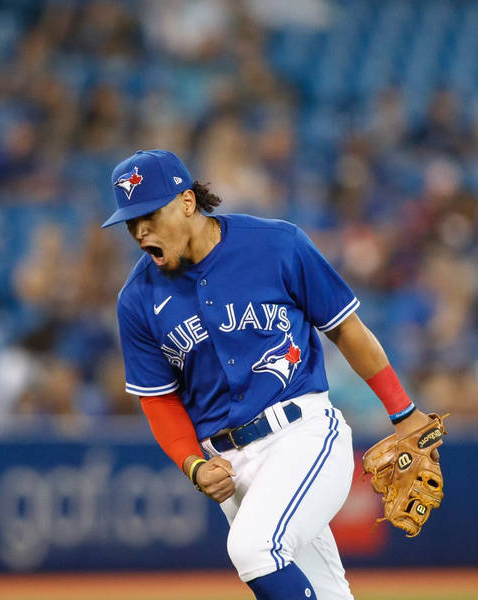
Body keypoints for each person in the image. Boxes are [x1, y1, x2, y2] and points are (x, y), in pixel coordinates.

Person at [102, 149, 437, 600]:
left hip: (302, 433)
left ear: (186, 202)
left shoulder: (278, 244)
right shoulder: (137, 299)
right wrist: (193, 464)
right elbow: (159, 400)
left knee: (255, 548)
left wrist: (404, 411)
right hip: (230, 467)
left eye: (149, 213)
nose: (140, 230)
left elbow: (346, 329)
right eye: (130, 221)